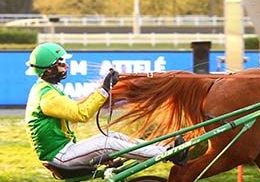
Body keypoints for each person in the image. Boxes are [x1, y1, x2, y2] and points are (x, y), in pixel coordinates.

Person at [25, 42, 181, 168]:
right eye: (60, 63)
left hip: (65, 149)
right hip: (60, 156)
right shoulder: (47, 96)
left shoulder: (48, 89)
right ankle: (165, 153)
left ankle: (163, 147)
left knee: (113, 136)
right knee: (107, 143)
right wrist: (105, 89)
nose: (66, 66)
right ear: (49, 70)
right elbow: (81, 114)